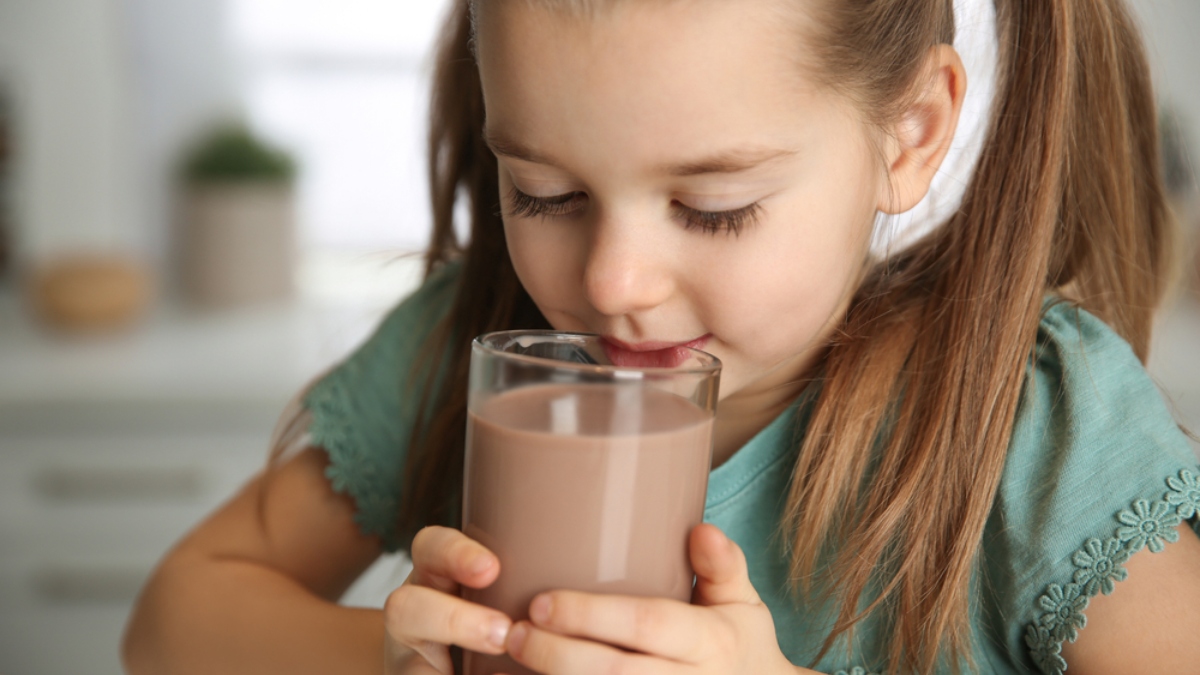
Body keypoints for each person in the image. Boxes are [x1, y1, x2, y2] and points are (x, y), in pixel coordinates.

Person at [122, 0, 1200, 673]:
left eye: (713, 208)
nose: (610, 283)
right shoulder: (469, 354)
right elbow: (174, 619)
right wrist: (403, 660)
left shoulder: (1027, 429)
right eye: (544, 193)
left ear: (909, 134)